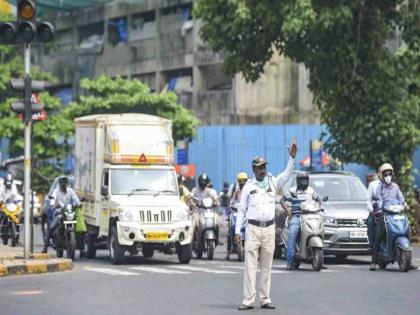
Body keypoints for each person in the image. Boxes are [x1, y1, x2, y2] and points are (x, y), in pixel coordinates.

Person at [236, 140, 297, 310]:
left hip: (269, 228)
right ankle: (248, 300)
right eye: (260, 167)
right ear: (254, 170)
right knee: (250, 266)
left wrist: (292, 159)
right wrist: (237, 231)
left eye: (264, 167)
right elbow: (241, 210)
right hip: (253, 228)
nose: (263, 170)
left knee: (266, 265)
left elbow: (286, 175)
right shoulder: (248, 186)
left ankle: (265, 299)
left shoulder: (272, 181)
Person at [281, 172, 320, 270]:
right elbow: (282, 200)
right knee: (292, 233)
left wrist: (319, 207)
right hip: (297, 216)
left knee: (319, 230)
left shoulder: (311, 191)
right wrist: (288, 212)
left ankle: (319, 258)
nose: (304, 182)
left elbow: (319, 200)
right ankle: (289, 261)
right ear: (298, 181)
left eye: (306, 180)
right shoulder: (292, 191)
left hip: (310, 215)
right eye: (302, 180)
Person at [370, 163, 404, 271]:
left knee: (404, 230)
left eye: (389, 174)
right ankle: (374, 262)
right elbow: (377, 200)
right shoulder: (379, 188)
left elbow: (401, 199)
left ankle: (406, 257)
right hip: (383, 215)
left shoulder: (396, 187)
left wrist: (405, 204)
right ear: (381, 176)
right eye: (385, 174)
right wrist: (379, 208)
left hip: (395, 215)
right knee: (379, 235)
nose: (388, 176)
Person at [42, 176, 81, 254]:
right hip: (59, 213)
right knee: (51, 227)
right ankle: (45, 247)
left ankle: (82, 250)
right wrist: (53, 204)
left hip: (69, 213)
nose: (64, 185)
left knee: (81, 230)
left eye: (65, 183)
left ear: (67, 184)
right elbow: (53, 198)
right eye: (62, 183)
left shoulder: (70, 191)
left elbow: (75, 199)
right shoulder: (56, 191)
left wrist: (79, 203)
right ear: (59, 184)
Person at [226, 172, 248, 260]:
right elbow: (231, 201)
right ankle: (229, 251)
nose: (242, 183)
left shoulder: (249, 189)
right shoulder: (236, 190)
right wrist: (231, 205)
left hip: (247, 213)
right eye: (241, 181)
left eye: (244, 181)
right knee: (232, 227)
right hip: (236, 212)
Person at [367, 172, 381, 248]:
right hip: (376, 211)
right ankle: (372, 244)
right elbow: (368, 200)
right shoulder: (373, 184)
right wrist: (372, 211)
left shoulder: (391, 185)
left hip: (388, 210)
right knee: (370, 222)